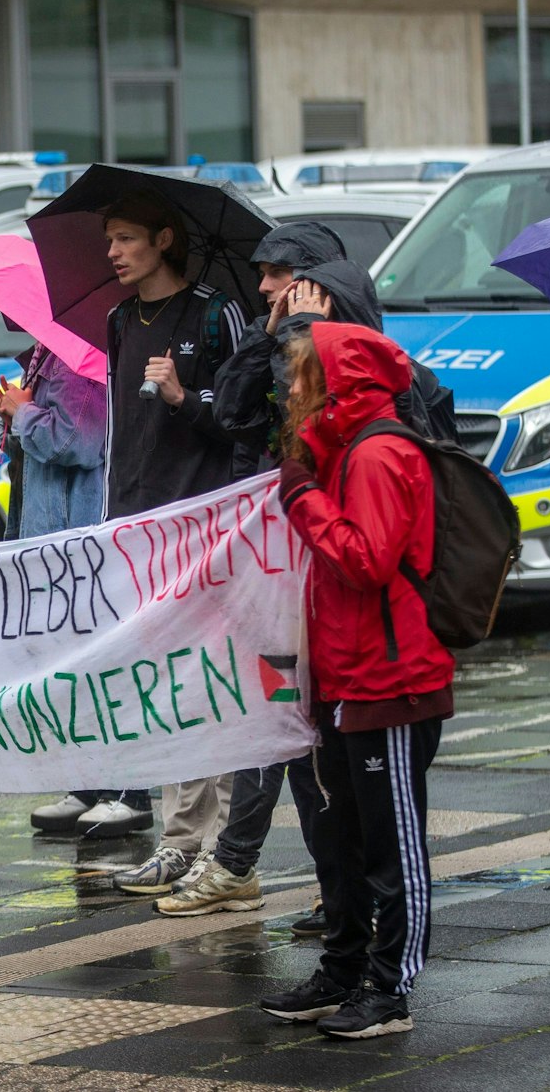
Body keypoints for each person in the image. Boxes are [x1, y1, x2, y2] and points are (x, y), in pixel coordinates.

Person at [156, 228, 389, 922]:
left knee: (315, 736)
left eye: (277, 272)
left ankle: (319, 881)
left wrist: (307, 336)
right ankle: (319, 881)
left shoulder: (356, 343)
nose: (261, 287)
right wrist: (269, 336)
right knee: (275, 714)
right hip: (274, 563)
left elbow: (330, 425)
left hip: (329, 566)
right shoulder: (271, 330)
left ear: (318, 278)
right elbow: (230, 411)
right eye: (258, 273)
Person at [256, 321, 452, 1040]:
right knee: (338, 837)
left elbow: (365, 560)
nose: (291, 390)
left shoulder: (378, 454)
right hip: (343, 676)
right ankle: (342, 968)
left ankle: (391, 986)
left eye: (302, 376)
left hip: (389, 679)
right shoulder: (336, 450)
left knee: (390, 842)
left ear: (338, 382)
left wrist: (303, 496)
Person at [95, 190, 248, 883]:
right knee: (157, 684)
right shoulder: (120, 320)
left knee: (203, 680)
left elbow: (248, 416)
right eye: (108, 242)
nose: (114, 253)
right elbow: (118, 433)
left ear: (164, 239)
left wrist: (189, 397)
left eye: (126, 238)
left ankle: (213, 843)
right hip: (137, 528)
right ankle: (179, 837)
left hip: (204, 525)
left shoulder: (216, 314)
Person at [0, 346, 124, 836]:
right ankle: (87, 783)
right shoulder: (47, 357)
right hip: (51, 535)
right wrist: (15, 411)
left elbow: (78, 441)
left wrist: (22, 411)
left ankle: (125, 790)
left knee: (98, 665)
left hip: (77, 538)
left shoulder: (76, 359)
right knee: (71, 668)